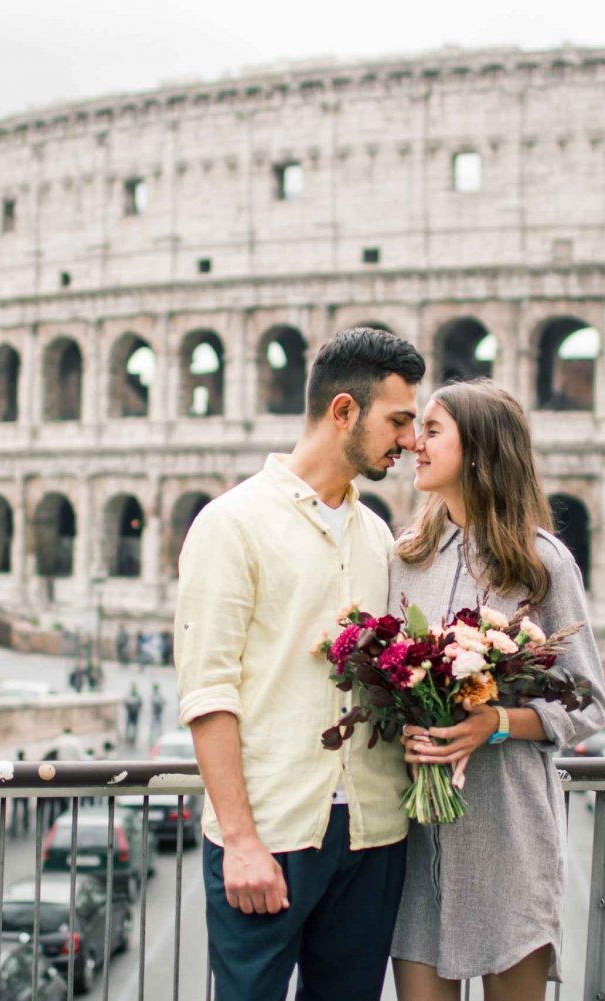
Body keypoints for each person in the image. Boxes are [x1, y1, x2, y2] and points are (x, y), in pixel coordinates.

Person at [175, 327, 425, 1000]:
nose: (408, 440)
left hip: (373, 833)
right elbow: (208, 691)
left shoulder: (379, 538)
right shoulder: (231, 523)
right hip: (269, 834)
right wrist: (240, 838)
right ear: (344, 410)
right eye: (398, 420)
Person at [391, 380, 605, 1001]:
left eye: (432, 432)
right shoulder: (409, 556)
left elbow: (589, 700)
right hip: (420, 840)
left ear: (479, 450)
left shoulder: (542, 563)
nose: (414, 444)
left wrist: (499, 722)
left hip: (508, 834)